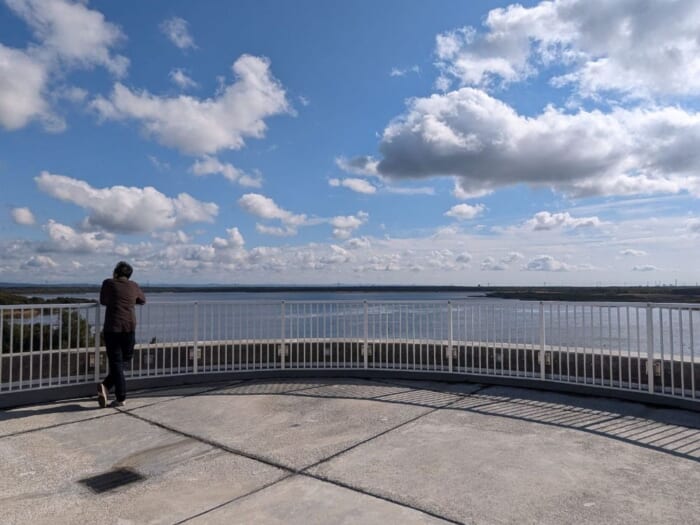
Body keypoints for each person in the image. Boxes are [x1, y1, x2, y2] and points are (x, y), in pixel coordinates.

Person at [97, 261, 146, 408]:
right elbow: (142, 300)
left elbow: (103, 301)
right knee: (126, 359)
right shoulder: (134, 285)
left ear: (116, 273)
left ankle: (115, 392)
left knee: (117, 362)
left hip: (112, 328)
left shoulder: (108, 283)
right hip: (129, 327)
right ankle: (110, 390)